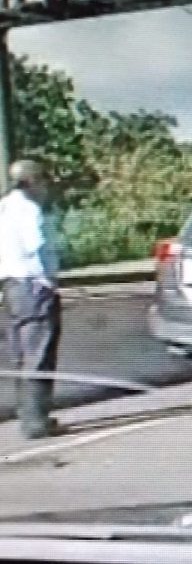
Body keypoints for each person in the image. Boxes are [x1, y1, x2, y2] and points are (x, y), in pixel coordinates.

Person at [0, 160, 63, 439]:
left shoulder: (4, 207)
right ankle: (37, 421)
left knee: (22, 355)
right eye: (43, 182)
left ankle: (27, 415)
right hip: (32, 287)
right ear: (33, 181)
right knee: (39, 354)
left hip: (12, 288)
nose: (46, 189)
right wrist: (48, 282)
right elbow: (37, 248)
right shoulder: (29, 210)